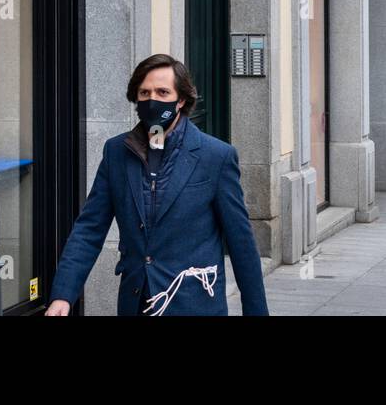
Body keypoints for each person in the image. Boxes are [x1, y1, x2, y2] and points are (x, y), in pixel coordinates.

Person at [46, 54, 268, 317]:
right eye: (144, 92)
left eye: (163, 92)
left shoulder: (216, 156)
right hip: (136, 303)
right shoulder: (116, 152)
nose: (153, 100)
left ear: (181, 99)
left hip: (194, 304)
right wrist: (63, 295)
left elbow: (241, 242)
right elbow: (89, 228)